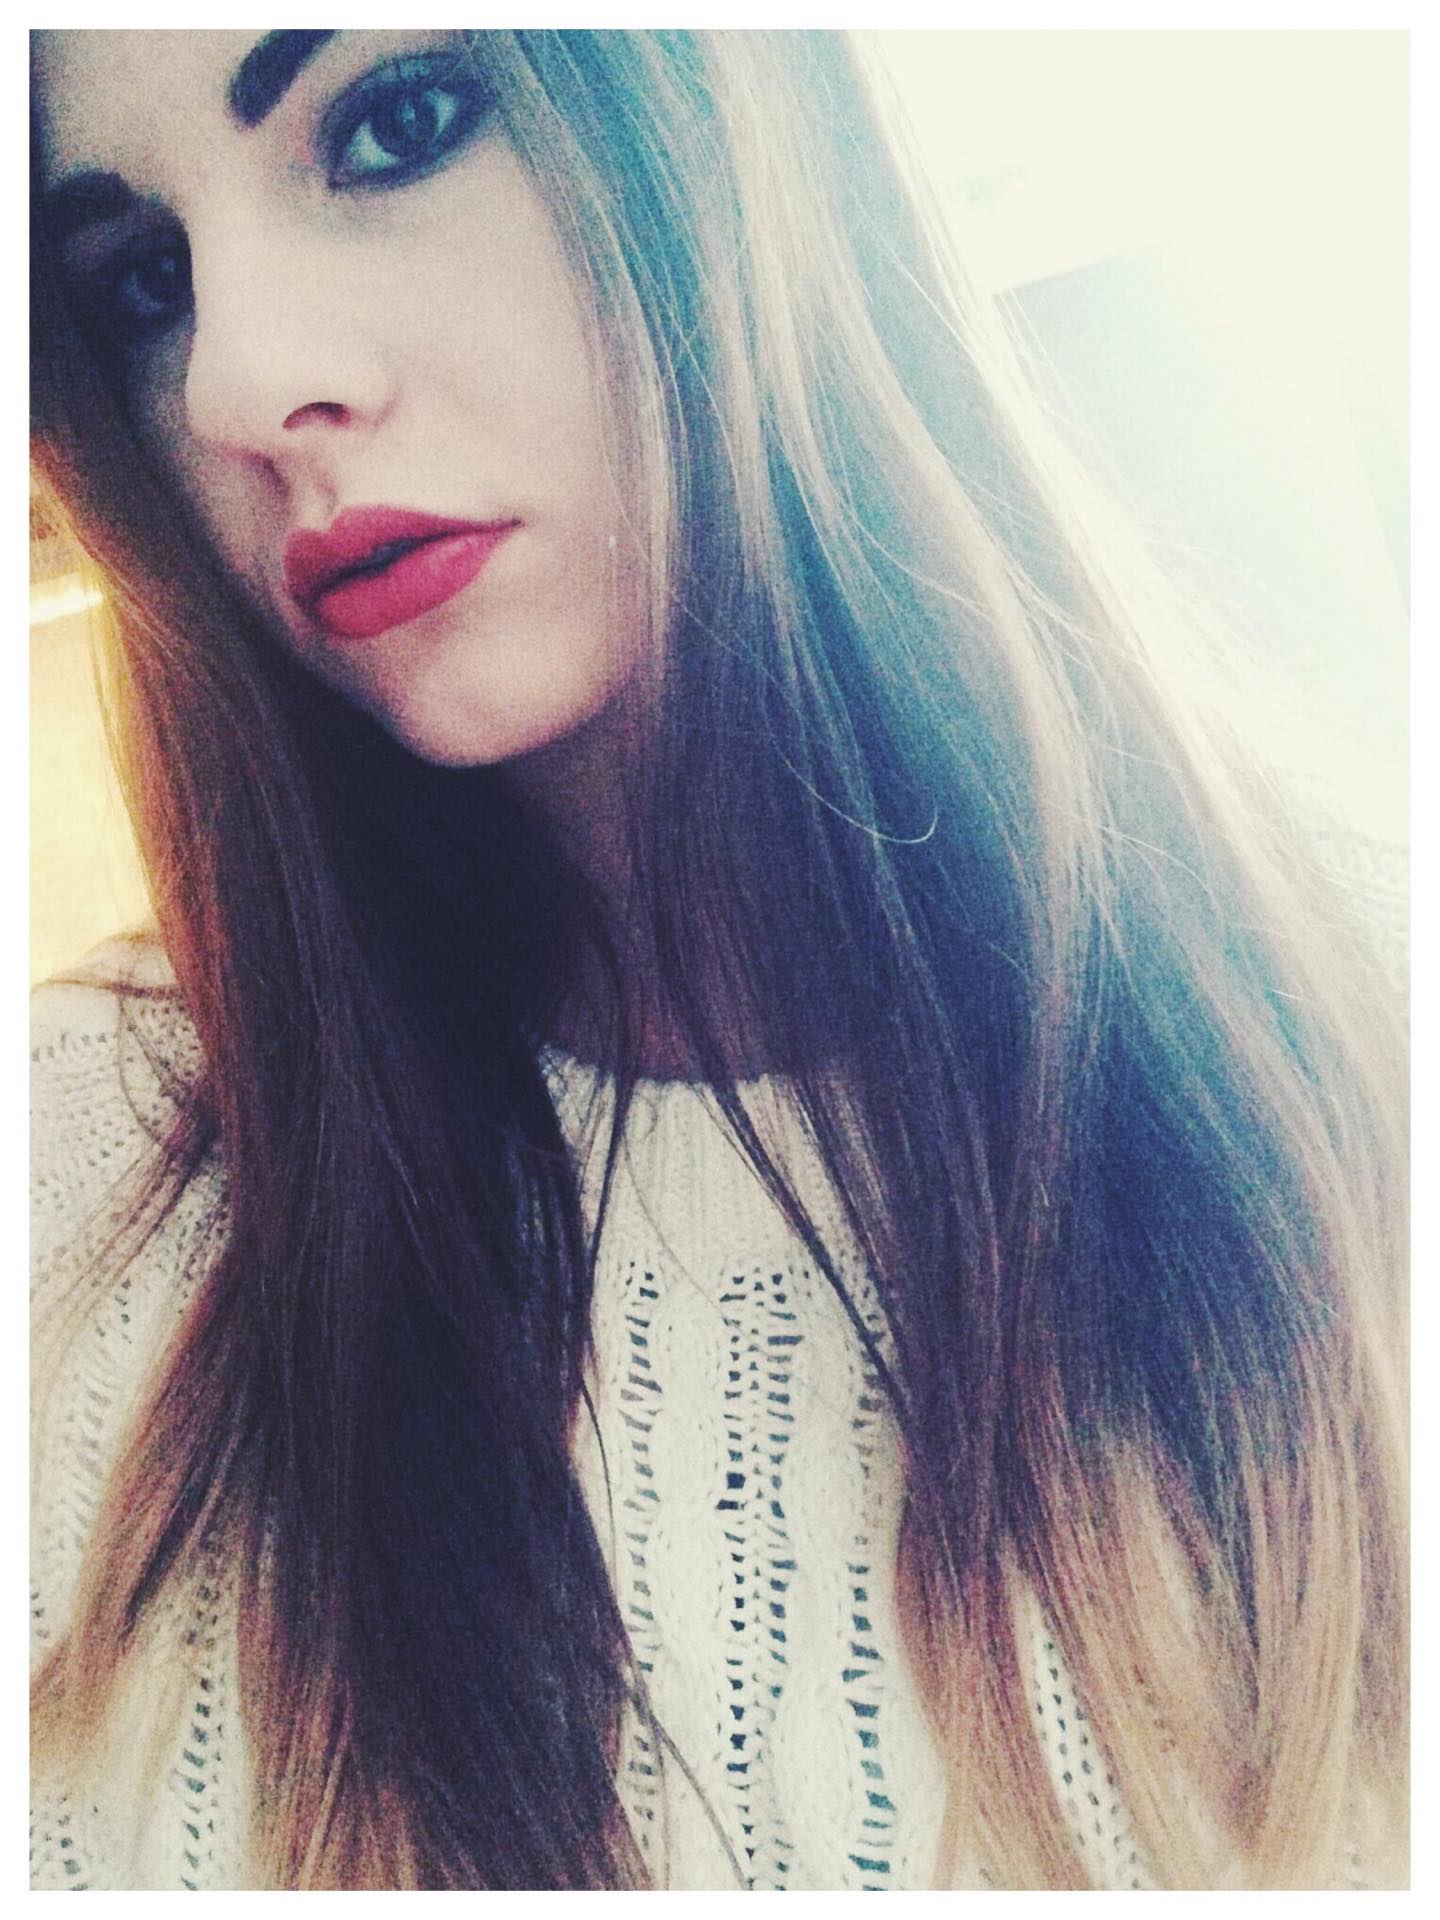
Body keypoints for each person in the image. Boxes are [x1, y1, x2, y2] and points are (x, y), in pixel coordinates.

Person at [29, 28, 1407, 1892]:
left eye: (400, 123)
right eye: (142, 283)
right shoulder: (77, 1167)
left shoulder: (1378, 1011)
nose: (242, 385)